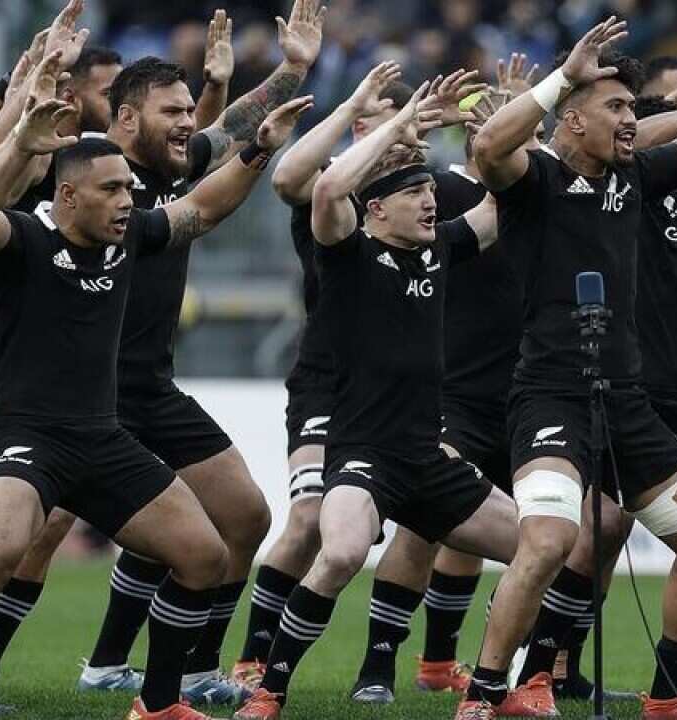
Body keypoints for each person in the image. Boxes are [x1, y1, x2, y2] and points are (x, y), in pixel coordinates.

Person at [0, 48, 310, 720]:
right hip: (30, 428)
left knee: (205, 549)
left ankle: (160, 701)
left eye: (127, 191)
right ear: (67, 194)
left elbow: (201, 208)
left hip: (108, 428)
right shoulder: (24, 235)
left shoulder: (131, 233)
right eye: (112, 191)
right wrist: (19, 134)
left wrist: (259, 149)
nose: (127, 201)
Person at [455, 17, 677, 720]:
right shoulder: (536, 180)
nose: (630, 120)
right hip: (551, 397)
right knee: (549, 541)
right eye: (616, 107)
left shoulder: (634, 175)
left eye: (632, 107)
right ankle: (488, 695)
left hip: (628, 403)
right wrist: (562, 79)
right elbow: (488, 146)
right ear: (573, 117)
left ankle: (667, 699)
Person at [231, 84, 518, 720]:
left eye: (431, 192)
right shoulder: (348, 254)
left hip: (428, 458)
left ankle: (499, 686)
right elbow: (326, 190)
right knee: (337, 552)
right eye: (415, 194)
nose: (430, 201)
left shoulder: (440, 250)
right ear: (377, 210)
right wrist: (397, 122)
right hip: (364, 455)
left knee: (544, 549)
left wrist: (513, 126)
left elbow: (504, 200)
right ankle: (269, 689)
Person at [233, 62, 413, 691]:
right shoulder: (331, 184)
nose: (369, 125)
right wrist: (355, 109)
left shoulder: (426, 196)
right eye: (364, 117)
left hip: (403, 389)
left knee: (421, 528)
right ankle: (253, 659)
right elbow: (286, 177)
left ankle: (384, 669)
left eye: (387, 115)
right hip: (328, 379)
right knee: (309, 518)